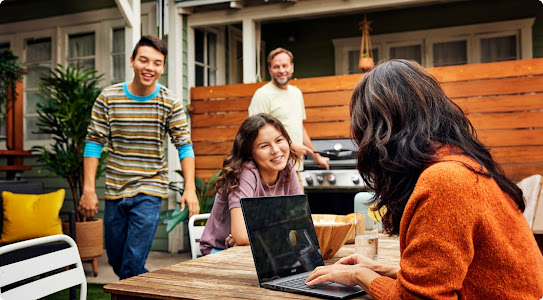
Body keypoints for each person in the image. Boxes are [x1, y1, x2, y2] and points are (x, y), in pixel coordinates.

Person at [305, 59, 543, 298]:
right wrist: (382, 270)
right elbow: (453, 274)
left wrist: (360, 276)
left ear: (382, 132)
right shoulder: (460, 164)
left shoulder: (446, 181)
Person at [78, 35, 199, 280]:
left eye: (157, 63)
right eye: (144, 60)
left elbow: (184, 146)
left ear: (163, 67)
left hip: (150, 190)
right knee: (116, 260)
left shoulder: (169, 102)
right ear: (132, 61)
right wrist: (88, 189)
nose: (150, 68)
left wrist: (190, 188)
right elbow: (94, 143)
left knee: (132, 264)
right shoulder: (108, 98)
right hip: (115, 190)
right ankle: (154, 289)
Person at [199, 113, 303, 255]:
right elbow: (242, 236)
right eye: (264, 146)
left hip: (259, 250)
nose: (276, 150)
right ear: (250, 153)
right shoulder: (246, 172)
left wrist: (253, 236)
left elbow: (301, 223)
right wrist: (248, 236)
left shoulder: (287, 169)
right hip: (219, 250)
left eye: (279, 140)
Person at [248, 47, 330, 175]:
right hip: (274, 170)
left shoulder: (296, 93)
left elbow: (300, 128)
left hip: (295, 168)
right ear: (270, 69)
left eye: (285, 66)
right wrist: (290, 147)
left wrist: (315, 155)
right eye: (276, 67)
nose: (281, 70)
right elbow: (257, 134)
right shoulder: (262, 95)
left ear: (292, 67)